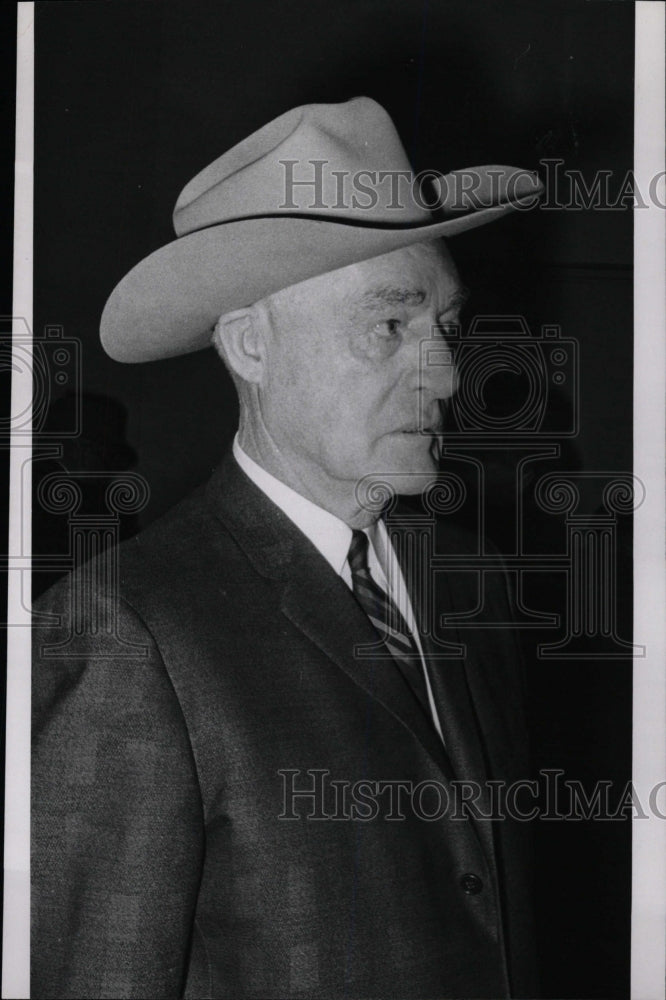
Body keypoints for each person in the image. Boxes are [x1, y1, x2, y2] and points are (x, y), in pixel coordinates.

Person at [32, 97, 543, 998]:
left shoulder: (471, 582)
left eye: (447, 326)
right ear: (251, 345)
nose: (449, 373)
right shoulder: (124, 633)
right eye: (391, 326)